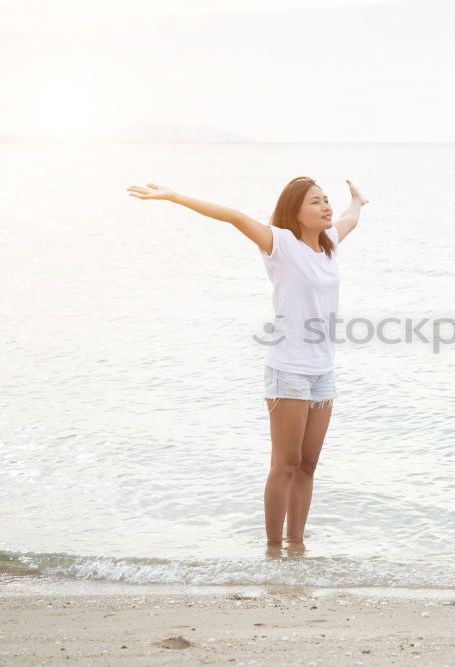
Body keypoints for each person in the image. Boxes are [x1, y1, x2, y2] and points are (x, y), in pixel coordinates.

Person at [126, 176, 368, 555]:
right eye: (316, 202)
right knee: (285, 464)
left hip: (324, 372)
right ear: (295, 211)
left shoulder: (330, 245)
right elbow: (234, 216)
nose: (327, 207)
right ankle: (274, 550)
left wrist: (357, 201)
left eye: (327, 201)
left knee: (308, 465)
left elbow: (351, 219)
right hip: (289, 370)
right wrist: (173, 196)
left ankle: (297, 546)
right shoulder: (280, 245)